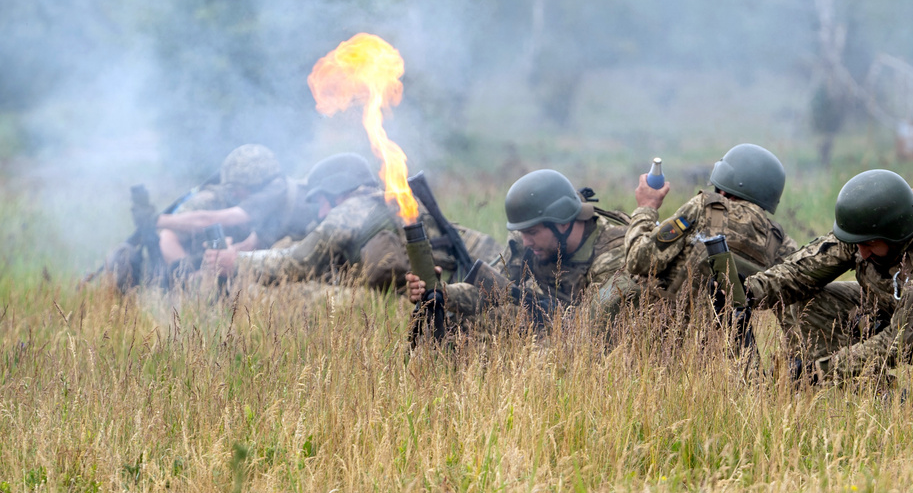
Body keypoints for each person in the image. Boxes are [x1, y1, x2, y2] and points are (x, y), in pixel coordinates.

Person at [742, 169, 913, 382]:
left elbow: (902, 340)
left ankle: (885, 401)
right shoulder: (872, 222)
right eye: (856, 242)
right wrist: (748, 292)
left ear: (897, 237)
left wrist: (820, 370)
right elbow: (801, 271)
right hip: (893, 303)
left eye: (869, 244)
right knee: (803, 298)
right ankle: (861, 390)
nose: (860, 252)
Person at [206, 153, 500, 291]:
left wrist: (238, 262)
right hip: (477, 280)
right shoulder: (385, 203)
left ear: (336, 193)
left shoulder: (351, 211)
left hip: (466, 291)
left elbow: (296, 264)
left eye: (320, 201)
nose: (320, 213)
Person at [406, 169, 632, 329]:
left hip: (603, 336)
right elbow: (489, 293)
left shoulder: (612, 252)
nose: (525, 242)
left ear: (562, 223)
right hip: (558, 323)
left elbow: (595, 329)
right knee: (461, 326)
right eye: (523, 233)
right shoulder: (529, 243)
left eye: (532, 233)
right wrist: (442, 293)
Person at [614, 144, 800, 337]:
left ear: (726, 184)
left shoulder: (707, 207)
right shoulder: (778, 241)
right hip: (725, 354)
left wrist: (646, 208)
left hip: (663, 340)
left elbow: (639, 261)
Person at [102, 143, 317, 289]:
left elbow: (223, 219)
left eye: (238, 188)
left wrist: (156, 221)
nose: (234, 194)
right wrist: (188, 272)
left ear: (254, 184)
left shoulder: (274, 192)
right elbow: (169, 235)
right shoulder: (267, 203)